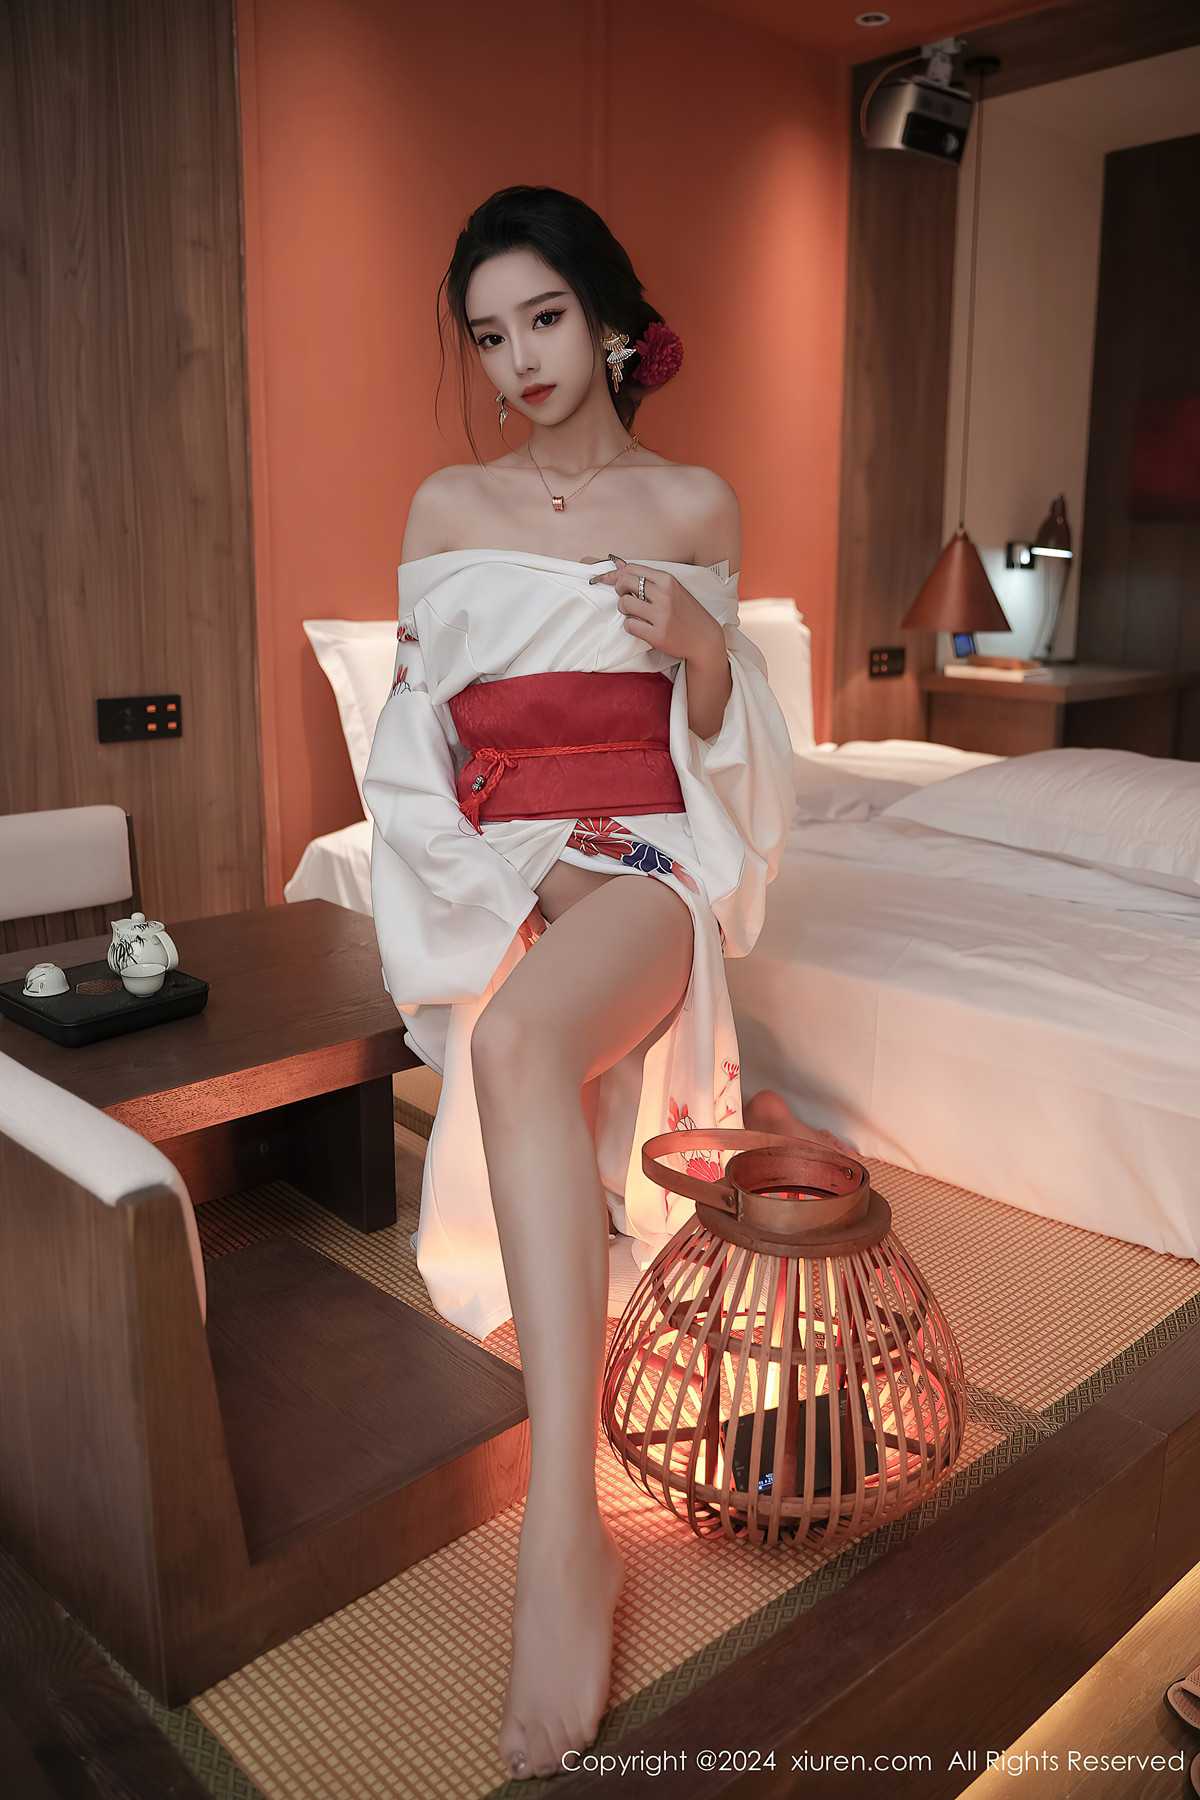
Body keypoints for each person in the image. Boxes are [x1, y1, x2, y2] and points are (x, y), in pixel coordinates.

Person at [362, 185, 854, 1784]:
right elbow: (413, 762)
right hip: (513, 864)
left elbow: (739, 759)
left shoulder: (695, 502)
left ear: (612, 318)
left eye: (546, 318)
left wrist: (705, 657)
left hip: (649, 863)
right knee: (519, 1037)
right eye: (488, 334)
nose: (519, 358)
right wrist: (524, 881)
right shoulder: (445, 507)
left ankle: (562, 1536)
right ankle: (570, 1532)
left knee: (519, 1038)